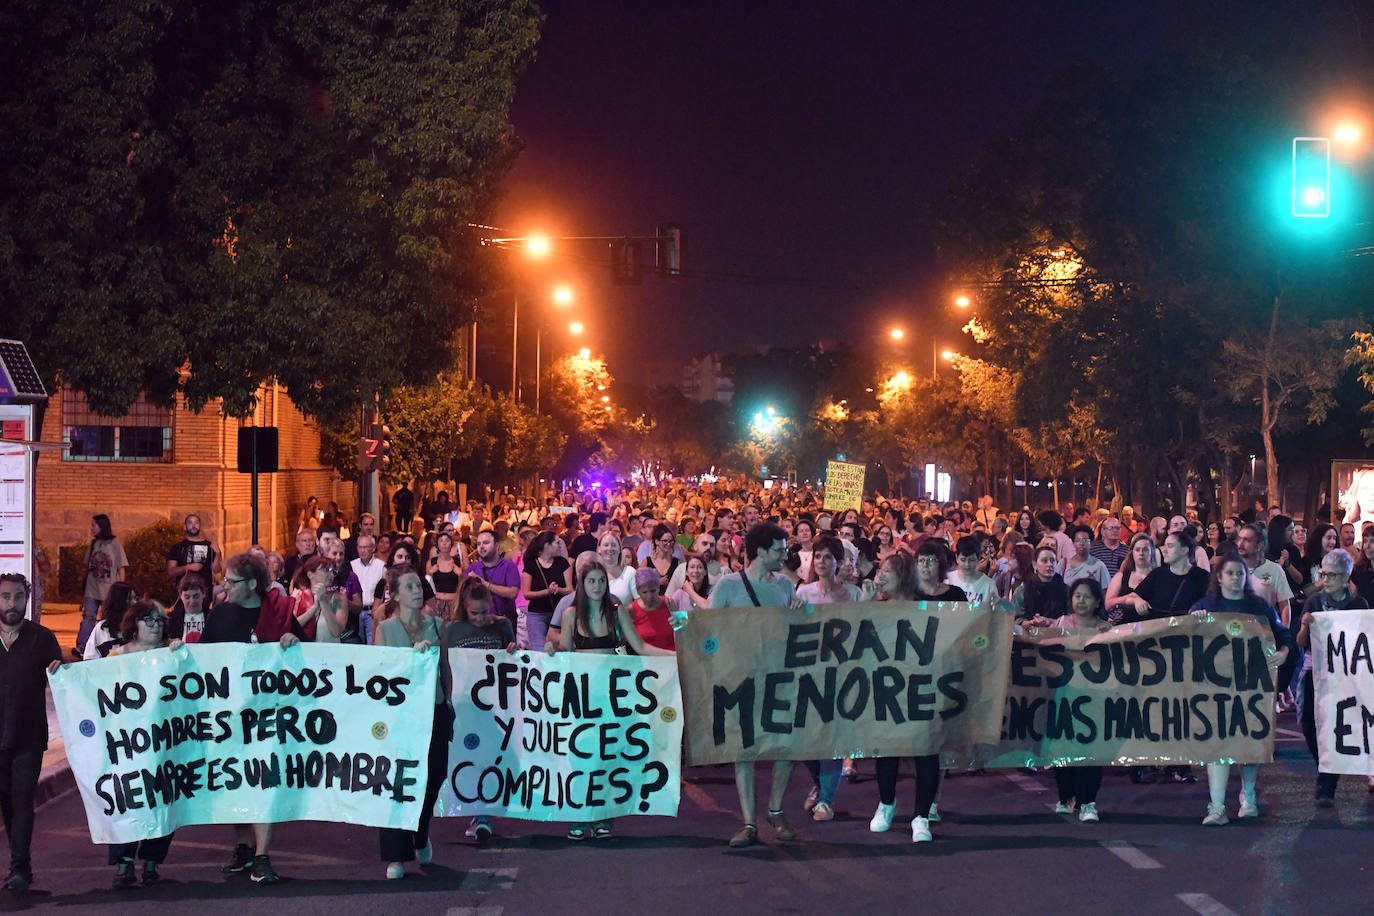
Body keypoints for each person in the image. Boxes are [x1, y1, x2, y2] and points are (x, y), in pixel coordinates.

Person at [549, 561, 673, 840]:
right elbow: (564, 651)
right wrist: (550, 650)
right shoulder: (570, 615)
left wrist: (676, 657)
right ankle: (578, 814)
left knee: (608, 754)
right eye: (591, 581)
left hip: (613, 695)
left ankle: (603, 815)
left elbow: (640, 647)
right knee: (580, 756)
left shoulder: (617, 614)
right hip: (582, 695)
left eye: (601, 581)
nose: (596, 587)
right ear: (581, 585)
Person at [199, 553, 304, 884]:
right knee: (235, 781)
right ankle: (243, 846)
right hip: (229, 716)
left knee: (263, 781)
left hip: (269, 715)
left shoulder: (281, 613)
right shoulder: (220, 616)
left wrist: (292, 641)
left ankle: (262, 855)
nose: (225, 587)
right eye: (225, 580)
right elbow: (203, 658)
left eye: (231, 581)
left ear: (253, 584)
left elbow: (309, 657)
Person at [709, 522, 804, 848]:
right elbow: (708, 631)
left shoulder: (785, 586)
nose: (784, 555)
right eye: (779, 550)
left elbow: (795, 631)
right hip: (742, 678)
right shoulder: (728, 587)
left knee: (786, 746)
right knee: (744, 750)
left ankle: (775, 810)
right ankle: (749, 822)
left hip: (779, 676)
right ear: (761, 551)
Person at [1188, 555, 1292, 824]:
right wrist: (1193, 619)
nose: (1235, 578)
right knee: (1218, 742)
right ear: (1219, 578)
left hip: (1251, 683)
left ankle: (1249, 796)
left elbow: (1282, 634)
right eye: (1230, 573)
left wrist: (1284, 651)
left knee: (1250, 739)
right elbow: (1185, 636)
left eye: (1240, 573)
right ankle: (1218, 806)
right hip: (1216, 686)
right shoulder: (1206, 605)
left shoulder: (1258, 606)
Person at [860, 551, 956, 842]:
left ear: (901, 575)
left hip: (922, 691)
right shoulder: (878, 608)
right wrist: (864, 603)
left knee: (926, 751)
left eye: (886, 572)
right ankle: (886, 803)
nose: (880, 577)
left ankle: (921, 816)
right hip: (888, 692)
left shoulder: (928, 608)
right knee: (887, 750)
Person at [375, 564, 452, 878]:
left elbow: (445, 668)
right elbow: (380, 674)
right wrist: (409, 656)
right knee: (397, 781)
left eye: (419, 585)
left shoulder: (436, 625)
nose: (418, 590)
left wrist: (447, 699)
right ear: (394, 594)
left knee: (434, 777)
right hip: (400, 716)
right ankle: (397, 855)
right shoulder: (385, 629)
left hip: (433, 709)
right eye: (409, 587)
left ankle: (420, 831)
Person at [107, 600, 181, 887]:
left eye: (161, 621)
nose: (156, 626)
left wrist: (178, 654)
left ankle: (153, 859)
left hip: (164, 744)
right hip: (126, 747)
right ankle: (124, 861)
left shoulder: (171, 653)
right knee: (125, 799)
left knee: (163, 799)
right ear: (133, 626)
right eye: (149, 621)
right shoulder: (115, 657)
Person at [0, 573, 63, 894]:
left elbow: (66, 681)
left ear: (27, 600)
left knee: (23, 800)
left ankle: (20, 866)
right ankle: (19, 859)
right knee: (6, 802)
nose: (12, 604)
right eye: (6, 597)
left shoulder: (42, 638)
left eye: (18, 598)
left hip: (29, 736)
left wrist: (59, 669)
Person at [1028, 579, 1108, 822]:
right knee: (1064, 749)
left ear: (1097, 602)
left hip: (1094, 700)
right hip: (1064, 696)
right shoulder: (1062, 623)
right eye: (1077, 596)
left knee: (1091, 752)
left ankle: (1088, 802)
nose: (1081, 601)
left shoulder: (1106, 629)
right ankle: (1066, 797)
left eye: (1086, 597)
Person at [1295, 549, 1369, 807]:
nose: (1324, 579)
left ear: (1346, 575)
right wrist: (1305, 625)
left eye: (1331, 575)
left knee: (1338, 724)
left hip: (1345, 675)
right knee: (1308, 723)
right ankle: (1325, 767)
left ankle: (1328, 779)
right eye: (1322, 573)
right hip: (1317, 671)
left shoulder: (1358, 605)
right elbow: (1300, 643)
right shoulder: (1314, 602)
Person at [794, 539, 861, 823]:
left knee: (833, 738)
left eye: (827, 557)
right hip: (809, 672)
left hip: (842, 673)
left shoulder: (854, 594)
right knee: (804, 740)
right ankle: (820, 781)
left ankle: (826, 800)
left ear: (838, 561)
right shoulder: (803, 592)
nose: (821, 561)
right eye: (817, 557)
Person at [448, 577, 516, 845]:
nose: (479, 618)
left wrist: (512, 651)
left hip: (495, 705)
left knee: (491, 757)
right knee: (470, 758)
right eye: (474, 613)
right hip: (465, 705)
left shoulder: (502, 625)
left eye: (484, 612)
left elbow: (513, 661)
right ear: (464, 608)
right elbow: (446, 665)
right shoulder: (453, 630)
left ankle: (483, 815)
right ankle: (478, 813)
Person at [79, 514, 128, 658]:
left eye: (94, 525)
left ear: (102, 525)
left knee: (107, 620)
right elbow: (87, 565)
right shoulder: (93, 543)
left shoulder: (114, 544)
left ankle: (105, 645)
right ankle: (82, 645)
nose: (91, 528)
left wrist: (121, 588)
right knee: (88, 617)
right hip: (92, 589)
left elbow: (121, 567)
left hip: (109, 590)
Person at [521, 531, 573, 654]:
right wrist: (547, 591)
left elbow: (570, 589)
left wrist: (558, 590)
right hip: (537, 615)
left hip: (559, 614)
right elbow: (526, 593)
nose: (560, 545)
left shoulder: (562, 563)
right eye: (557, 542)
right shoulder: (531, 566)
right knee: (540, 652)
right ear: (547, 545)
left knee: (560, 650)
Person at [463, 529, 522, 630]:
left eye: (486, 543)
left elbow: (513, 593)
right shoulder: (472, 568)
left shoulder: (508, 566)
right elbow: (465, 596)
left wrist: (484, 584)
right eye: (478, 544)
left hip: (503, 622)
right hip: (478, 624)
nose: (481, 547)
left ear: (496, 545)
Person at [289, 556, 349, 643]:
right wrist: (314, 608)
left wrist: (323, 601)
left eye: (332, 571)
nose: (331, 574)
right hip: (306, 652)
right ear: (310, 574)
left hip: (329, 653)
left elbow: (336, 632)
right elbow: (292, 627)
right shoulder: (298, 596)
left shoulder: (339, 598)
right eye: (326, 570)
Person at [82, 582, 138, 660]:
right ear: (118, 602)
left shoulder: (141, 626)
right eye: (129, 599)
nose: (135, 603)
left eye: (135, 598)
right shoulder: (102, 629)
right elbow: (90, 660)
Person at [1015, 545, 1069, 622]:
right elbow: (1016, 619)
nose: (1049, 564)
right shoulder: (1022, 591)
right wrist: (1031, 622)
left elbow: (1072, 619)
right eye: (1044, 561)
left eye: (1052, 560)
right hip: (1030, 632)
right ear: (1034, 564)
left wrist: (1049, 621)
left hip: (1059, 632)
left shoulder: (1066, 589)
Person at [628, 566, 675, 651]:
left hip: (671, 657)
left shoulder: (670, 603)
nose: (649, 596)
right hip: (645, 659)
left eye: (653, 591)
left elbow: (684, 632)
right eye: (644, 592)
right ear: (638, 591)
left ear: (658, 588)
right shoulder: (631, 610)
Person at [166, 513, 221, 583]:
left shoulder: (210, 546)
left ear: (200, 526)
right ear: (185, 527)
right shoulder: (177, 547)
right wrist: (187, 567)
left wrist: (217, 554)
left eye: (196, 523)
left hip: (205, 589)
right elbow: (171, 572)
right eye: (190, 523)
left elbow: (217, 570)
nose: (194, 525)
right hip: (184, 591)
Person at [1061, 525, 1110, 591]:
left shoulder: (1099, 566)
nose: (1081, 544)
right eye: (1078, 540)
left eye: (1085, 540)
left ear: (1091, 543)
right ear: (1073, 543)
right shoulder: (1064, 563)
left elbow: (1105, 590)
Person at [166, 573, 210, 643]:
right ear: (180, 596)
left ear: (203, 593)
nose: (192, 601)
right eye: (187, 597)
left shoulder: (212, 617)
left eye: (196, 596)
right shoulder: (172, 619)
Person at [642, 524, 681, 595]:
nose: (668, 544)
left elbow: (681, 585)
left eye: (671, 541)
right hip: (652, 602)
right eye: (665, 541)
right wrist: (657, 582)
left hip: (670, 602)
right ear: (657, 541)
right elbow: (638, 583)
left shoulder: (676, 562)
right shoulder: (647, 561)